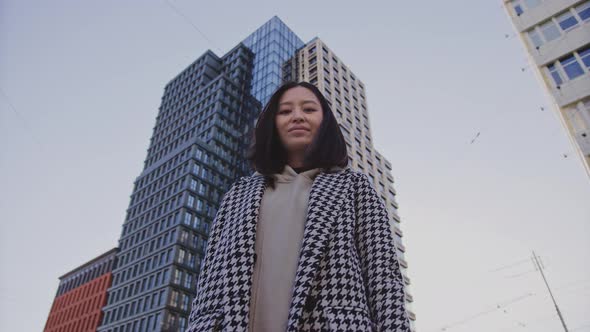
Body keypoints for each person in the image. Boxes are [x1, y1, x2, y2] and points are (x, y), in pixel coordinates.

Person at [188, 81, 410, 332]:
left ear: (325, 123)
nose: (297, 116)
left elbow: (383, 275)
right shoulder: (239, 193)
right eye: (285, 111)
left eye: (309, 109)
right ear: (272, 124)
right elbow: (208, 281)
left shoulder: (354, 186)